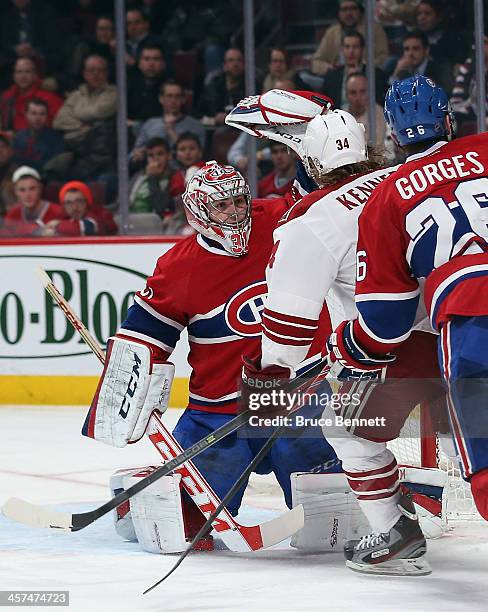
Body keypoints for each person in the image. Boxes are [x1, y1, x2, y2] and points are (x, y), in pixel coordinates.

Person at [82, 160, 339, 554]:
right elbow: (144, 338)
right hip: (219, 410)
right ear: (197, 210)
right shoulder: (178, 268)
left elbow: (324, 186)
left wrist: (310, 141)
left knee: (333, 525)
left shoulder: (280, 219)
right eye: (222, 206)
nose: (235, 213)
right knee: (184, 529)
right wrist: (126, 385)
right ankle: (140, 493)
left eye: (239, 201)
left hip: (300, 395)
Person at [236, 103, 446, 575]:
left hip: (394, 346)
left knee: (346, 429)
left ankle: (396, 533)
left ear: (310, 164)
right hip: (463, 326)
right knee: (470, 439)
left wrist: (268, 380)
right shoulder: (404, 180)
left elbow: (289, 326)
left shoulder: (313, 220)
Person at [326, 76, 488, 569]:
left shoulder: (387, 197)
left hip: (472, 323)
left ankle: (393, 536)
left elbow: (386, 321)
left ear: (393, 137)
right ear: (448, 121)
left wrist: (346, 346)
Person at [50, 54, 116, 181]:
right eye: (92, 70)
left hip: (100, 152)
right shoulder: (76, 94)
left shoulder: (113, 93)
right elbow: (59, 121)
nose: (96, 74)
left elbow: (96, 112)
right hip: (73, 147)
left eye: (100, 70)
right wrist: (82, 126)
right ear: (85, 74)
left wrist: (75, 113)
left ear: (106, 73)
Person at [131, 80, 205, 167]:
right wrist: (138, 154)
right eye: (169, 96)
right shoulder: (150, 124)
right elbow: (134, 155)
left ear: (183, 99)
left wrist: (172, 132)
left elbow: (198, 157)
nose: (173, 101)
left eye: (177, 97)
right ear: (161, 99)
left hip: (182, 173)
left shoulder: (195, 126)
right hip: (153, 170)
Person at [311, 0, 389, 75]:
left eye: (353, 8)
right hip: (337, 77)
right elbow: (316, 61)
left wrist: (363, 67)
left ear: (360, 11)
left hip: (367, 76)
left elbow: (383, 58)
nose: (348, 13)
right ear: (338, 13)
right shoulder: (332, 32)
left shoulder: (374, 29)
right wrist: (332, 69)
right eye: (344, 9)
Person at [321, 30, 388, 109]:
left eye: (355, 47)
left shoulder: (376, 75)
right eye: (347, 47)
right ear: (342, 49)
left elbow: (380, 103)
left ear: (362, 49)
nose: (351, 51)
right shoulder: (331, 76)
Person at [0, 57, 63, 132]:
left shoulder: (50, 98)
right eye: (19, 72)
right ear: (14, 75)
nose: (23, 76)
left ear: (35, 75)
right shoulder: (6, 96)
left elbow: (59, 125)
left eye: (27, 72)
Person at [2, 165, 62, 236]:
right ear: (15, 192)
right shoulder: (13, 215)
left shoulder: (57, 212)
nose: (27, 195)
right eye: (22, 190)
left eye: (32, 188)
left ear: (40, 188)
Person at [41, 180, 117, 237]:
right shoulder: (67, 218)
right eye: (69, 203)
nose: (74, 207)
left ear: (87, 202)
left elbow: (83, 228)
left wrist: (57, 226)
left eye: (79, 201)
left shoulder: (100, 216)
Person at [389, 30, 453, 94]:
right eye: (407, 49)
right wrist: (396, 74)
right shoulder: (401, 71)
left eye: (415, 48)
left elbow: (446, 92)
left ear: (426, 50)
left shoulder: (440, 68)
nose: (410, 53)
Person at [11, 97, 64, 173]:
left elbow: (53, 168)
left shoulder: (56, 139)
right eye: (33, 113)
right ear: (26, 114)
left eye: (42, 114)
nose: (38, 118)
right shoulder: (18, 137)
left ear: (47, 116)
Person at [197, 48, 247, 125]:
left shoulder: (251, 86)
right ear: (224, 65)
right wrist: (214, 120)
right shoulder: (212, 87)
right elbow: (198, 115)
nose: (236, 64)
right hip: (214, 130)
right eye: (231, 60)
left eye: (239, 60)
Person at [127, 44, 168, 124]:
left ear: (163, 64)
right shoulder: (128, 86)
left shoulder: (170, 88)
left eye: (156, 59)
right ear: (139, 64)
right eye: (146, 59)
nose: (151, 64)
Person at [345, 72, 386, 145]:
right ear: (346, 95)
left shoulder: (377, 113)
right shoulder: (341, 117)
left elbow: (376, 145)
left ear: (368, 92)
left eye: (362, 91)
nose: (358, 97)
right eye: (353, 92)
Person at [0, 134, 18, 220]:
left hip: (12, 221)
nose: (0, 151)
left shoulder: (18, 173)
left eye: (3, 147)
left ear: (10, 150)